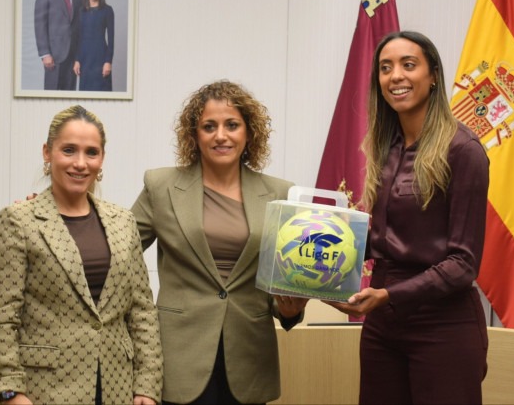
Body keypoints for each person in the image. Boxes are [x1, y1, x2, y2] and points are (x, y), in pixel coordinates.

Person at [326, 31, 490, 404]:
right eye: (385, 68)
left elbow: (463, 263)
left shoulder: (464, 151)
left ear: (433, 76)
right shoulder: (386, 147)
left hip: (443, 325)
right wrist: (311, 254)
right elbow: (382, 239)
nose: (395, 75)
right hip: (383, 325)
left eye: (408, 65)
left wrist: (388, 295)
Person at [131, 80, 308, 404]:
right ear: (194, 135)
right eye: (209, 126)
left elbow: (285, 276)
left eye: (232, 125)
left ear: (249, 132)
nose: (221, 135)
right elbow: (116, 247)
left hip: (250, 359)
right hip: (179, 357)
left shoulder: (281, 194)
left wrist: (289, 309)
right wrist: (60, 212)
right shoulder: (161, 186)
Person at [0, 105, 162, 405]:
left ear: (102, 158)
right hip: (44, 391)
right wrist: (10, 391)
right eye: (68, 150)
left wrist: (147, 386)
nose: (80, 163)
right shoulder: (17, 221)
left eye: (91, 152)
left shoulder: (123, 222)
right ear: (47, 152)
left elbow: (142, 312)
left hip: (118, 388)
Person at [34, 0, 82, 91]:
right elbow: (39, 24)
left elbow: (80, 26)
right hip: (53, 56)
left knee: (69, 97)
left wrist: (80, 56)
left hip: (73, 56)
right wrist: (45, 53)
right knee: (51, 95)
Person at [74, 0, 114, 92]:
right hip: (85, 60)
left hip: (101, 59)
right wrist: (77, 60)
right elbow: (79, 38)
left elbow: (111, 40)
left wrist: (108, 62)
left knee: (103, 95)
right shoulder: (81, 11)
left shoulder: (107, 10)